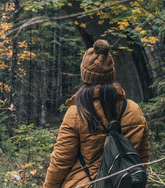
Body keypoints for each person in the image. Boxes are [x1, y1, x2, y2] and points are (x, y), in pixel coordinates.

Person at [43, 39, 150, 188]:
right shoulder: (133, 110)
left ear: (85, 75)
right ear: (111, 74)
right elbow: (141, 157)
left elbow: (60, 161)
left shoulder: (76, 113)